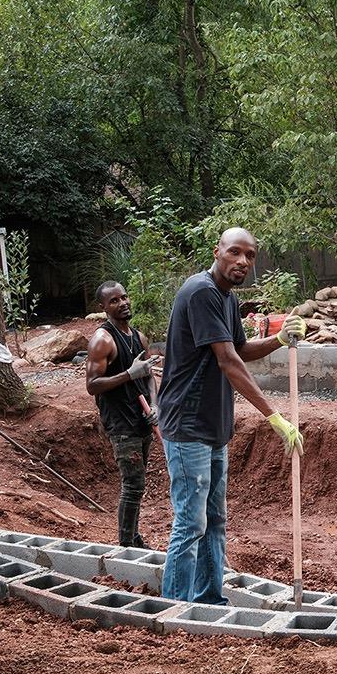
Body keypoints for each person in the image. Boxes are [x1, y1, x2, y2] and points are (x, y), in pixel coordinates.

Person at [158, 227, 306, 604]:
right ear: (217, 251)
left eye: (250, 256)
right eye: (235, 253)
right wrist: (274, 417)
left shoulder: (225, 297)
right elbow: (229, 362)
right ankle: (175, 608)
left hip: (212, 426)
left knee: (214, 521)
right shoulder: (202, 292)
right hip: (187, 424)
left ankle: (209, 599)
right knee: (191, 522)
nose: (243, 261)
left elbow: (240, 347)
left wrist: (280, 340)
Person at [85, 281, 159, 548]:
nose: (123, 303)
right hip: (120, 423)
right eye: (114, 300)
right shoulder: (102, 340)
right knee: (133, 486)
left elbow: (149, 375)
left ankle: (134, 538)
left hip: (141, 419)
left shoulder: (138, 337)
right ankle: (126, 546)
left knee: (137, 486)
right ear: (103, 307)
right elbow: (92, 385)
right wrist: (129, 374)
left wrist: (155, 405)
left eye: (124, 297)